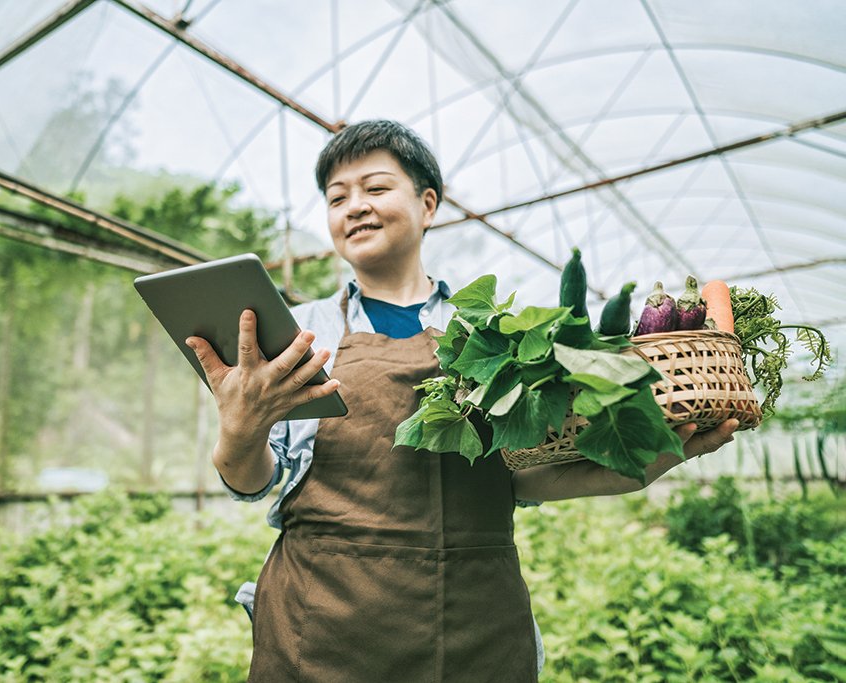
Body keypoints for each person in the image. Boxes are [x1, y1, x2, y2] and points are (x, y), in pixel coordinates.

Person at [185, 120, 739, 682]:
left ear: (427, 204)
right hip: (322, 626)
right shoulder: (298, 334)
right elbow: (250, 481)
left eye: (375, 189)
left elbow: (521, 477)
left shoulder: (493, 331)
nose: (354, 207)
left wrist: (658, 458)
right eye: (337, 197)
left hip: (474, 625)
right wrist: (240, 426)